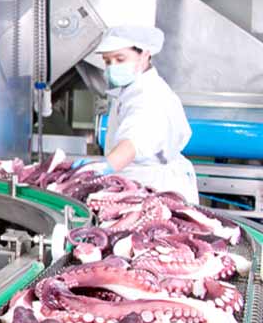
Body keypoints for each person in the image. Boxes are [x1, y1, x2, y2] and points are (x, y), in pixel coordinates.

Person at [70, 26, 197, 202]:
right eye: (108, 61)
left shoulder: (149, 94)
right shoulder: (130, 90)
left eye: (120, 59)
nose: (113, 66)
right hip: (138, 182)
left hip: (156, 189)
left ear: (144, 55)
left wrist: (102, 167)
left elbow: (134, 141)